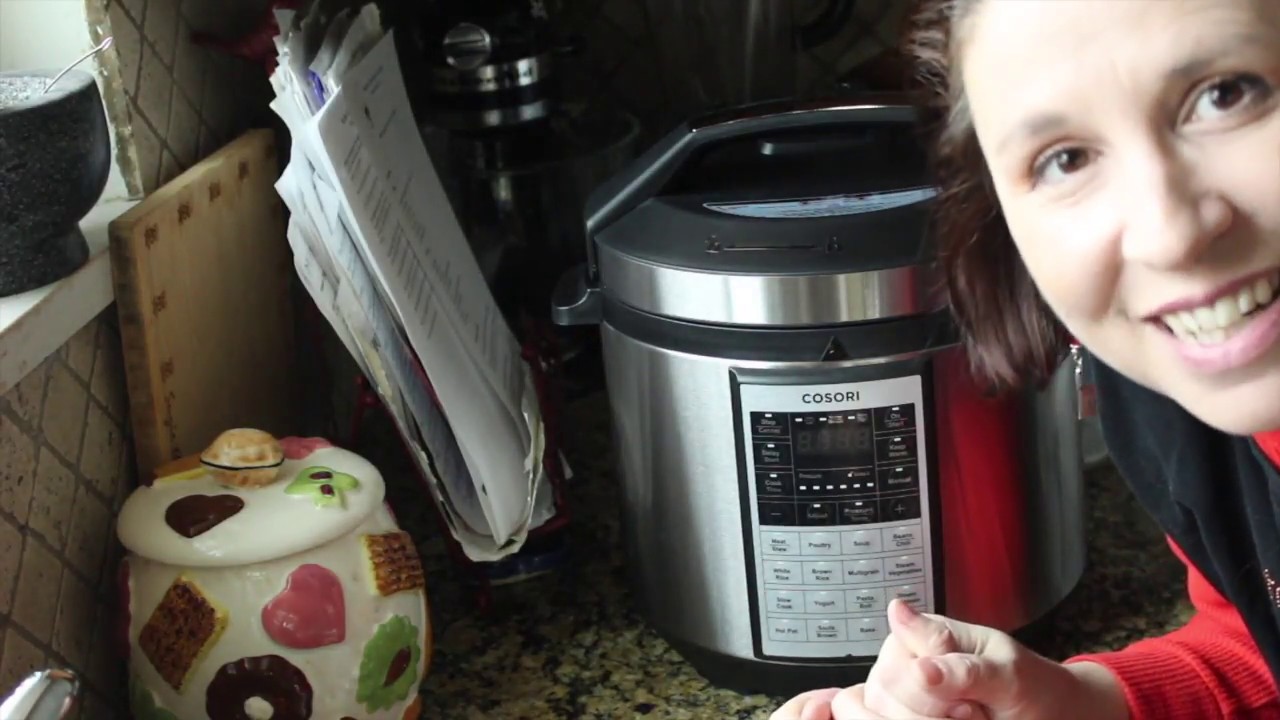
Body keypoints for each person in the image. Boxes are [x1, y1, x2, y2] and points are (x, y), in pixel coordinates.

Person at [771, 0, 1280, 718]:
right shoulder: (1176, 393)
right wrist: (1076, 702)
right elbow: (1257, 641)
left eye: (1227, 95)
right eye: (1064, 160)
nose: (1169, 236)